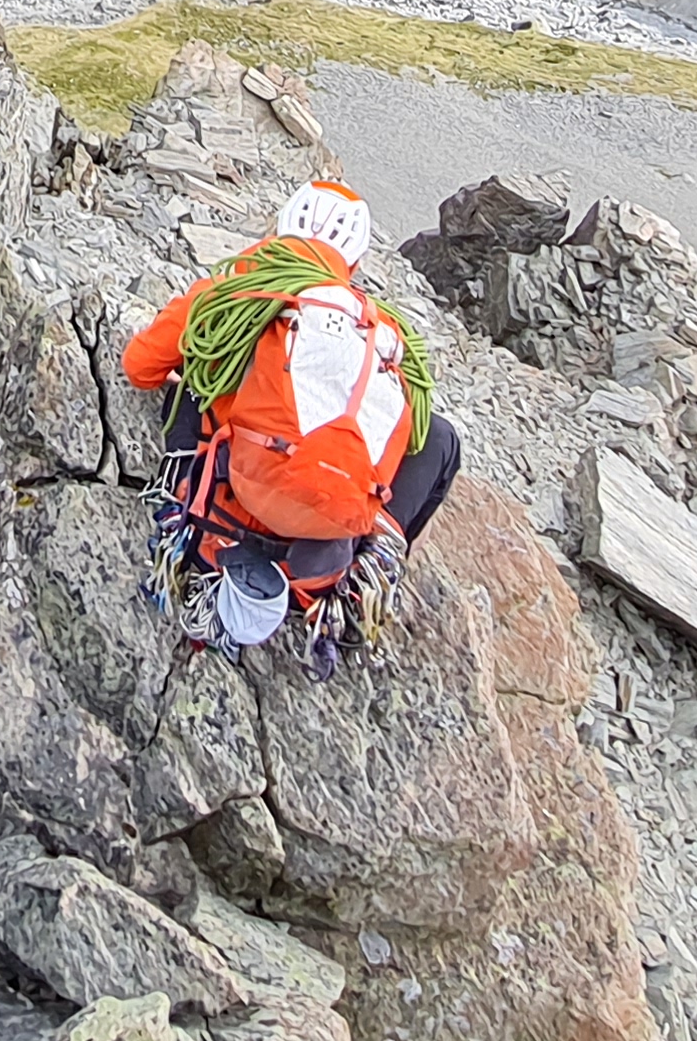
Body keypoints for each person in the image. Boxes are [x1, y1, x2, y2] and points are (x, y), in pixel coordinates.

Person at [123, 178, 462, 679]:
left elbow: (139, 366)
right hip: (324, 554)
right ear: (356, 265)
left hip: (230, 517)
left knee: (196, 379)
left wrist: (211, 369)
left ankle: (196, 530)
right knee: (439, 439)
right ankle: (364, 573)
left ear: (281, 230)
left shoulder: (240, 289)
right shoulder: (385, 337)